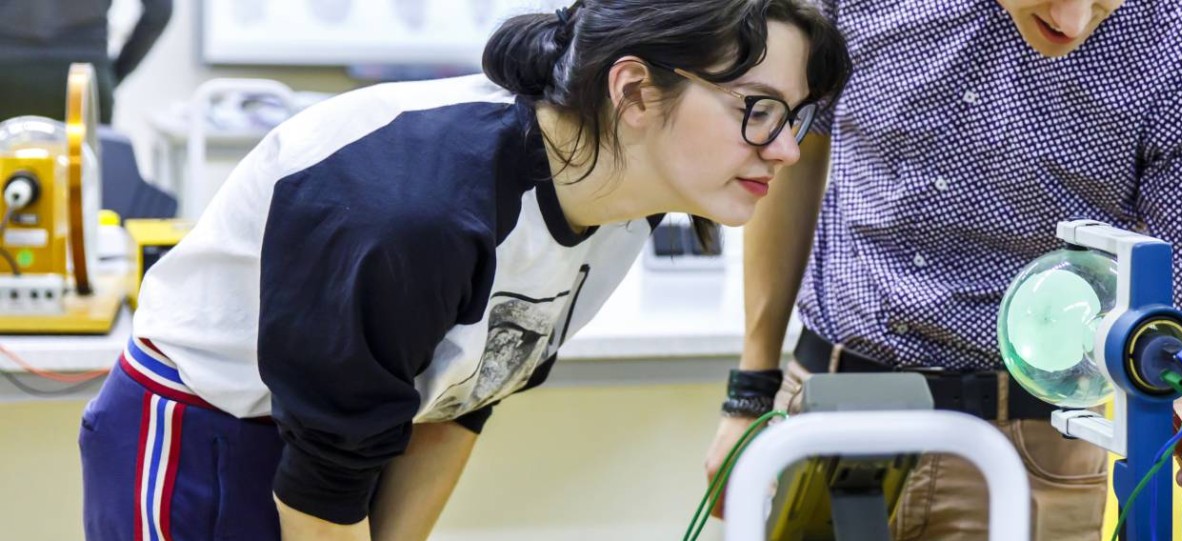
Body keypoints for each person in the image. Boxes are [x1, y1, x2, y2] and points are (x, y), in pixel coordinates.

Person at [76, 1, 850, 539]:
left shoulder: (625, 200)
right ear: (636, 91)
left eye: (799, 115)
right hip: (206, 431)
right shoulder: (418, 214)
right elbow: (322, 484)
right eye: (758, 109)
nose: (786, 148)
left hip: (358, 441)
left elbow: (465, 396)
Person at [708, 0, 1182, 538]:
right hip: (832, 414)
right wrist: (749, 395)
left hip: (1032, 452)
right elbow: (793, 153)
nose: (1072, 21)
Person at [0, 0, 172, 123]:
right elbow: (160, 10)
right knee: (87, 170)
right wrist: (113, 74)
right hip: (85, 76)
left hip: (6, 75)